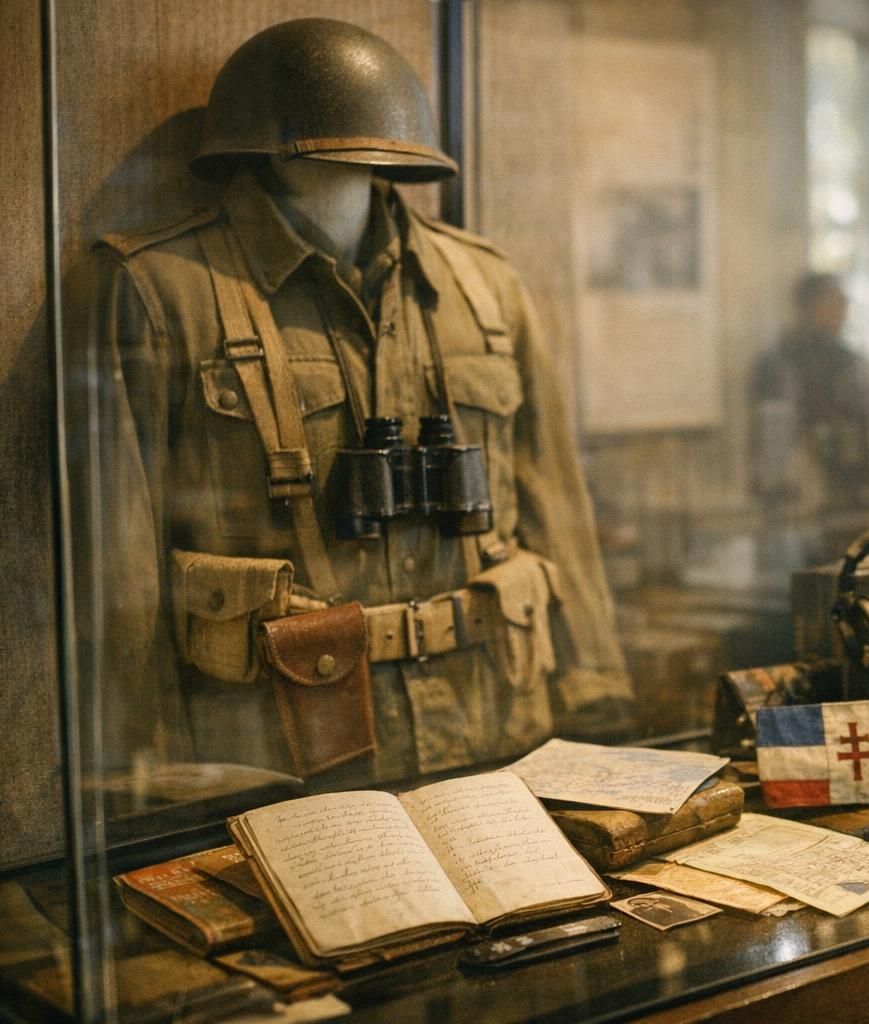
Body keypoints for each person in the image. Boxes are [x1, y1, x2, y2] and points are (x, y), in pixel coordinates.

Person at [73, 19, 632, 783]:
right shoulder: (158, 289)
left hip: (498, 735)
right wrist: (141, 771)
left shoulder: (486, 288)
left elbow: (555, 505)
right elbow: (119, 568)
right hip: (276, 759)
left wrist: (595, 699)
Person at [749, 273, 869, 509]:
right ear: (813, 306)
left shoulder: (843, 360)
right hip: (800, 483)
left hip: (837, 484)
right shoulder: (784, 359)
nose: (844, 310)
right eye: (837, 301)